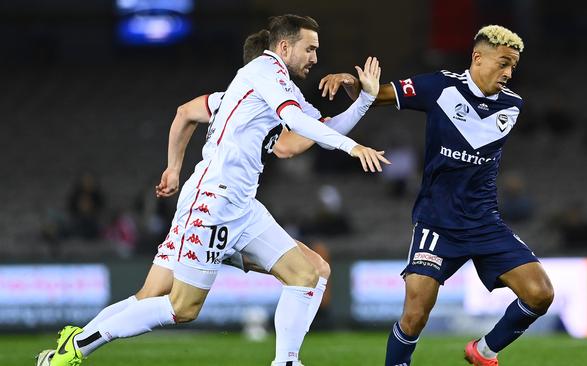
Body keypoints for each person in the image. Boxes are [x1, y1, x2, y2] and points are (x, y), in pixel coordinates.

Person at [47, 14, 389, 366]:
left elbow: (305, 134)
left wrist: (364, 101)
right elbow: (298, 128)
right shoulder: (264, 72)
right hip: (214, 201)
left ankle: (286, 362)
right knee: (182, 307)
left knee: (309, 272)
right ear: (284, 47)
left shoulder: (269, 89)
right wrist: (353, 148)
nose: (316, 58)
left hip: (239, 204)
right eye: (311, 48)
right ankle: (80, 343)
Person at [320, 25, 554, 366]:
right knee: (415, 315)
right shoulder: (439, 86)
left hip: (484, 222)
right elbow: (376, 95)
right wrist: (354, 85)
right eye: (503, 63)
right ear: (477, 57)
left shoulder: (512, 106)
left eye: (513, 67)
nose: (508, 73)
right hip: (437, 221)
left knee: (540, 294)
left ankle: (485, 351)